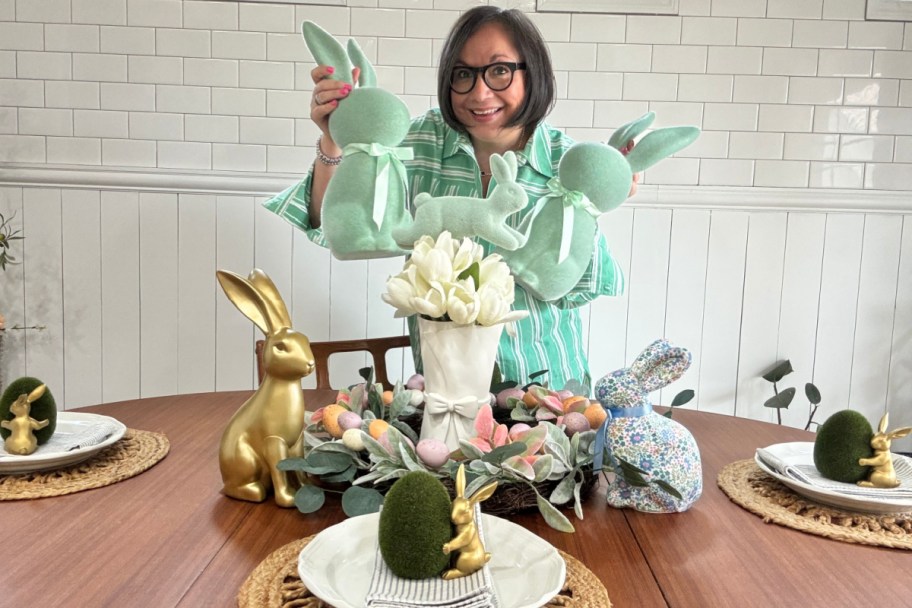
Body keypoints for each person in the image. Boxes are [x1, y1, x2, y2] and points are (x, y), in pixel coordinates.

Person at [264, 6, 636, 394]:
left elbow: (579, 287)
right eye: (463, 74)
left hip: (548, 390)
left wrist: (600, 199)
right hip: (444, 389)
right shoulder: (418, 140)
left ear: (533, 72)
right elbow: (335, 224)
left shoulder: (571, 164)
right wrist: (340, 140)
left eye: (499, 70)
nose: (479, 92)